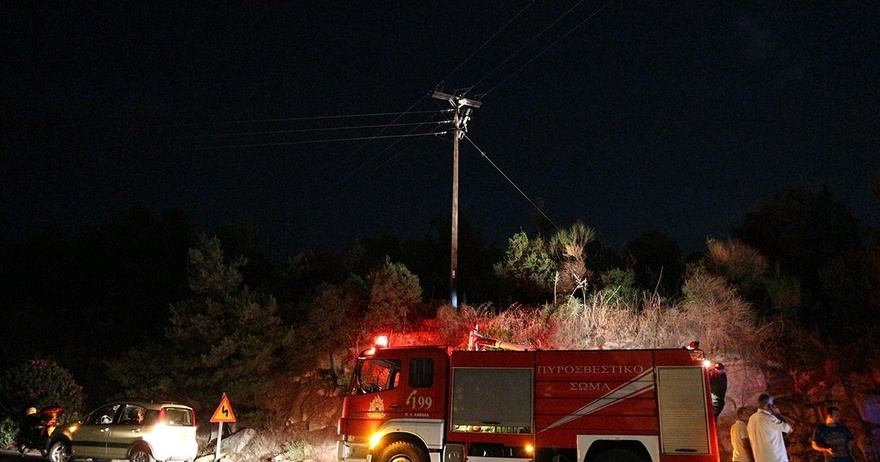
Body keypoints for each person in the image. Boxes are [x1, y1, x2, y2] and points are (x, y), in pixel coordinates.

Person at [747, 394, 792, 462]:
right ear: (769, 406)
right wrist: (778, 414)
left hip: (760, 458)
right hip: (775, 458)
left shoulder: (751, 419)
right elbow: (789, 429)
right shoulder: (768, 418)